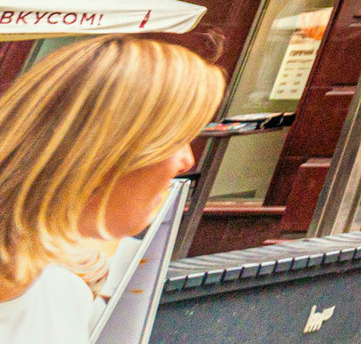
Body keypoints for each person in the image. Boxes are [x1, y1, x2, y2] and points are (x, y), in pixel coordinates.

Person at [0, 34, 224, 342]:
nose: (187, 159)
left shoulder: (54, 285)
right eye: (176, 138)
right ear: (106, 149)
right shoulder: (51, 289)